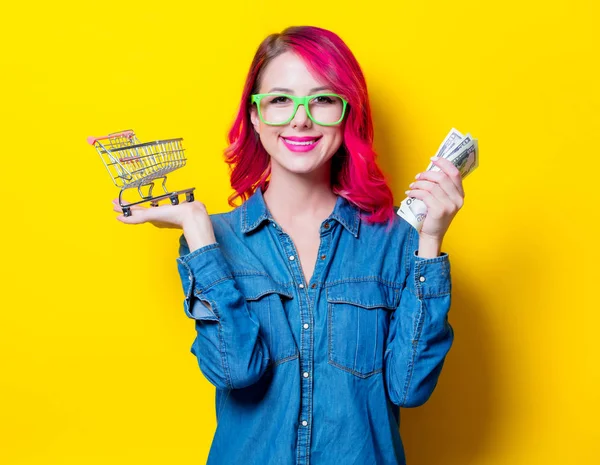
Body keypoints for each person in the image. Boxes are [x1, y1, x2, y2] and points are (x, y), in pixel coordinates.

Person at [113, 25, 464, 465]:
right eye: (280, 99)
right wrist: (198, 234)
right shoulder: (215, 242)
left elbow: (410, 387)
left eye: (322, 99)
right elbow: (236, 370)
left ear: (347, 114)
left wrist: (430, 239)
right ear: (255, 117)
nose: (301, 118)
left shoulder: (394, 239)